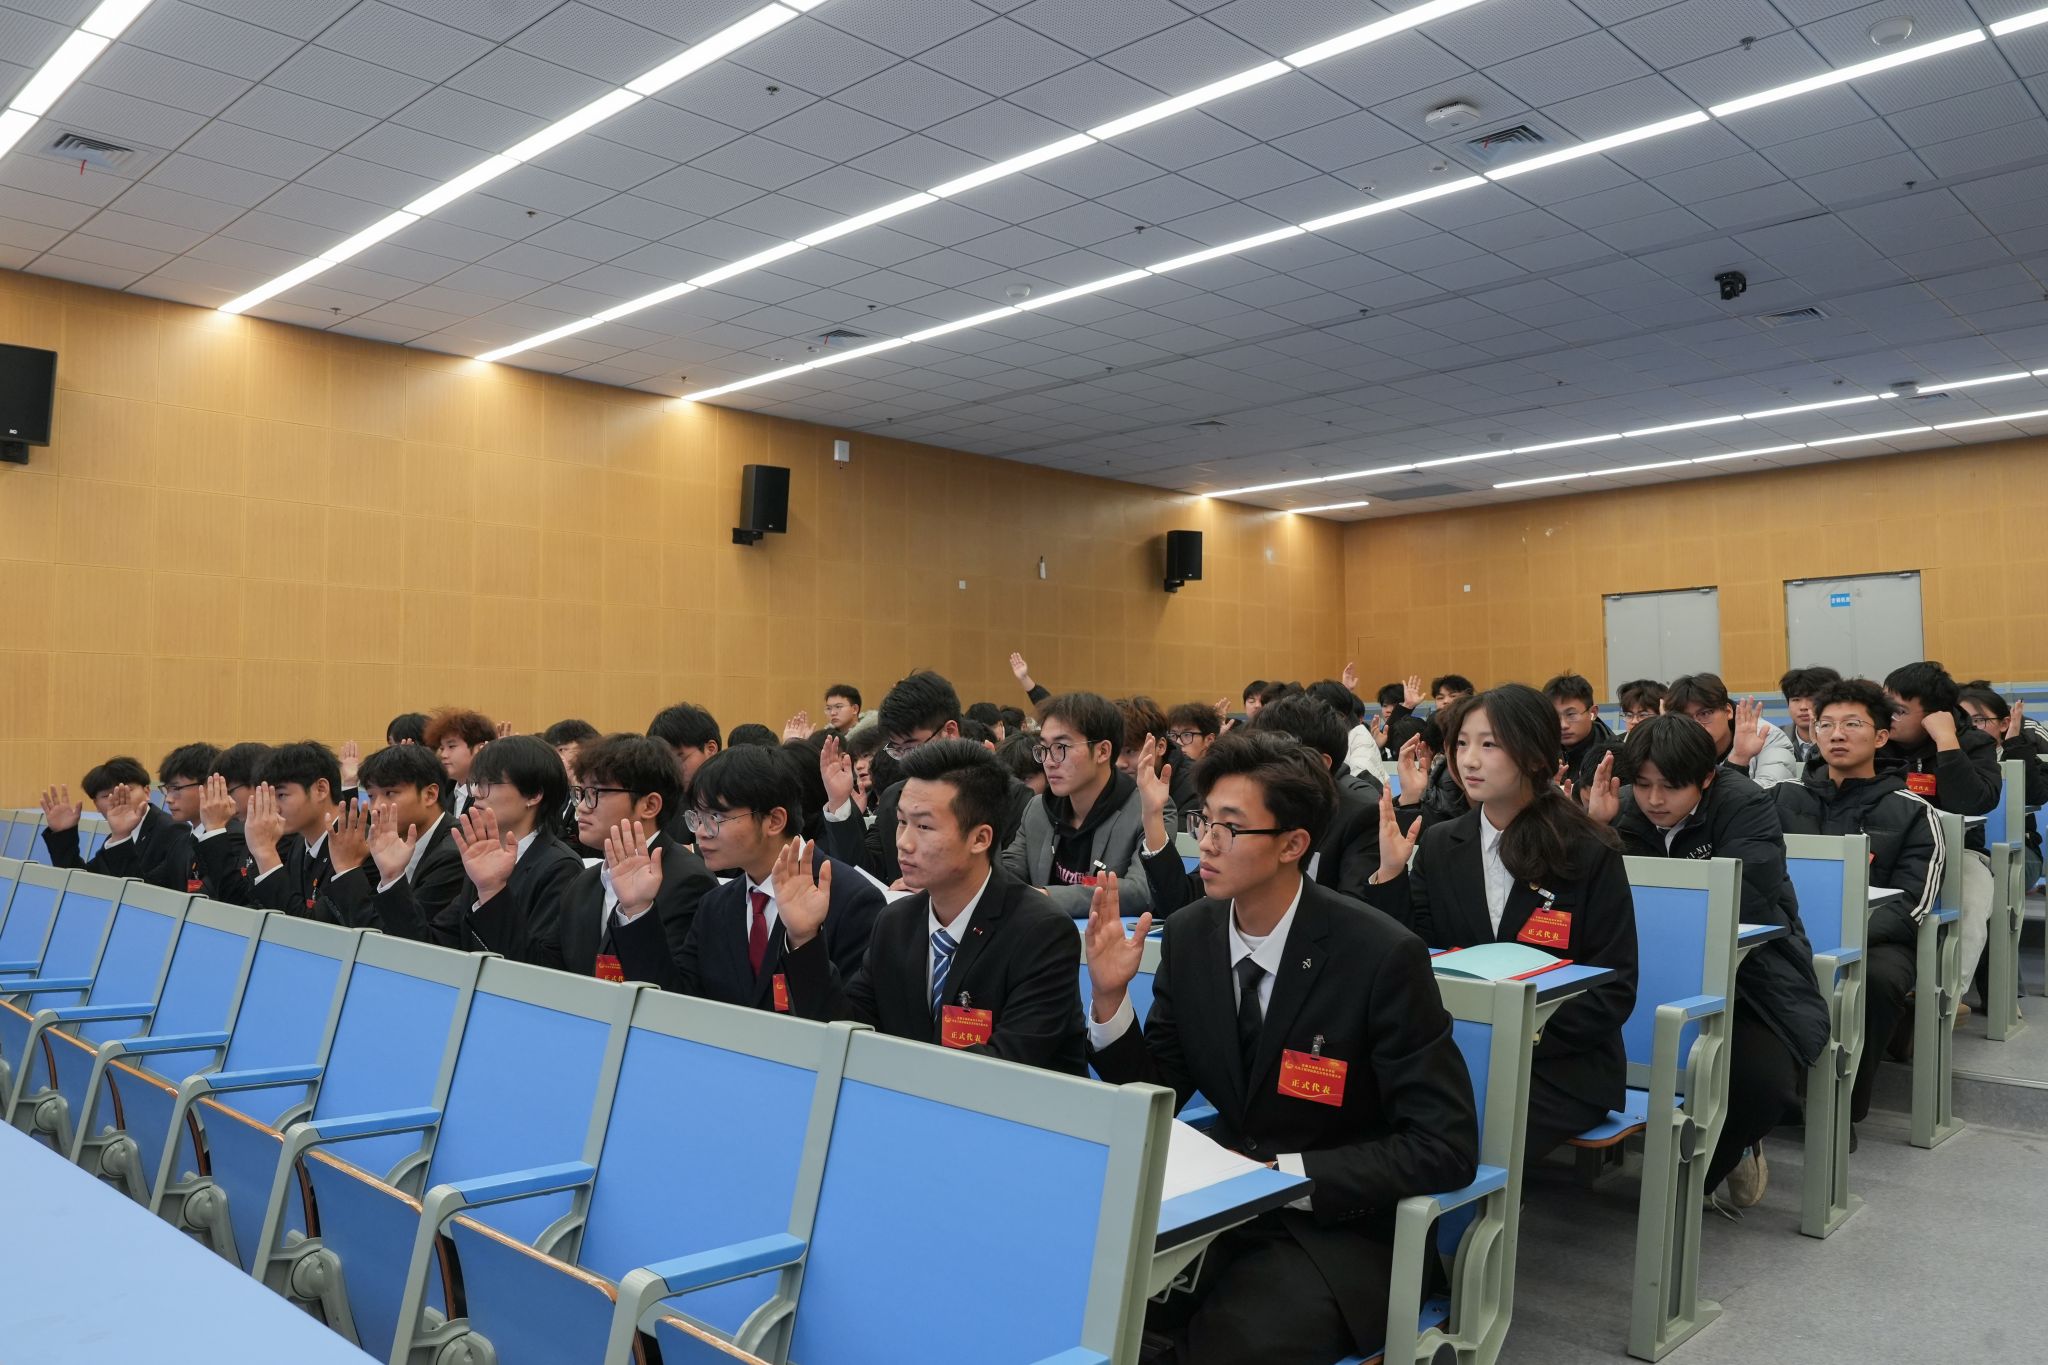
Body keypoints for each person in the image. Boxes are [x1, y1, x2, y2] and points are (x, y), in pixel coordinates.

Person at [1084, 731, 1479, 1365]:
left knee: (1228, 1346)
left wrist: (1281, 1176)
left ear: (1293, 844)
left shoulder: (1378, 955)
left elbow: (1445, 1145)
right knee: (1095, 1302)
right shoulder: (1191, 934)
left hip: (1337, 1230)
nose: (1206, 842)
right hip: (1219, 1207)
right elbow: (1160, 1088)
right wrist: (1109, 1000)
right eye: (1204, 821)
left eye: (1231, 827)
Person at [1365, 684, 1637, 1158]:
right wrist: (1390, 874)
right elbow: (1414, 957)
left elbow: (1613, 989)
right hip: (1457, 1054)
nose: (1469, 760)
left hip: (1560, 1065)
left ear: (1533, 754)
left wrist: (1507, 1038)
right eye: (1461, 744)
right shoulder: (1442, 844)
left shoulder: (1587, 849)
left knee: (1454, 1128)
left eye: (1489, 744)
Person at [1586, 716, 1829, 1208]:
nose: (1654, 800)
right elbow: (1582, 899)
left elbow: (1747, 899)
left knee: (1762, 1084)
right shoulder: (1619, 807)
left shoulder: (1745, 805)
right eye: (1643, 784)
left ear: (1706, 778)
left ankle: (1704, 1173)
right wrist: (1597, 829)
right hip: (1643, 974)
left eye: (1671, 786)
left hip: (1752, 976)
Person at [779, 739, 1085, 1074]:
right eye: (901, 822)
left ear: (980, 838)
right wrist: (805, 938)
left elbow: (1008, 1068)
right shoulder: (895, 922)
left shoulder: (1040, 932)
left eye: (924, 826)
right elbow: (846, 1031)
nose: (904, 842)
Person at [1771, 679, 1944, 1130]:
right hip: (1792, 930)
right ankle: (1766, 1097)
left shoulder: (1912, 810)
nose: (1836, 735)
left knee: (1878, 981)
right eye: (1825, 724)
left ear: (1881, 737)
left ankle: (1840, 1109)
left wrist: (1843, 933)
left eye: (1852, 724)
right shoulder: (1783, 797)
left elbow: (1913, 903)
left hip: (1876, 939)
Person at [676, 745, 881, 1009]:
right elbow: (678, 1000)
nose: (701, 832)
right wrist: (637, 911)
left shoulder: (851, 899)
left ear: (774, 821)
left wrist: (805, 941)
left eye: (715, 817)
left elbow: (853, 1021)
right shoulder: (714, 904)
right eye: (697, 817)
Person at [816, 670, 1032, 885]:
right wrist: (839, 802)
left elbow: (1016, 880)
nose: (904, 760)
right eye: (896, 749)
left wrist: (936, 890)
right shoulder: (894, 797)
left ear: (950, 731)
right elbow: (864, 872)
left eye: (912, 747)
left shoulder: (1008, 794)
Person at [545, 734, 717, 989]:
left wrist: (638, 912)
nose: (581, 807)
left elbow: (676, 994)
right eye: (580, 793)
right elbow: (545, 971)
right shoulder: (583, 883)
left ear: (649, 805)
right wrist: (492, 891)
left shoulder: (689, 881)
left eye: (595, 793)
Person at [1880, 661, 2000, 1007]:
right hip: (1888, 851)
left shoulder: (1973, 743)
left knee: (1971, 902)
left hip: (1956, 853)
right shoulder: (1878, 741)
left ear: (1935, 715)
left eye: (1900, 710)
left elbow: (1972, 803)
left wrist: (1947, 742)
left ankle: (1940, 1006)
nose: (1888, 716)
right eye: (1886, 706)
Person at [423, 735, 583, 959]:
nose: (476, 793)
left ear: (534, 794)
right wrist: (392, 880)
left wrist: (492, 891)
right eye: (475, 783)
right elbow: (433, 942)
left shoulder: (560, 867)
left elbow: (539, 966)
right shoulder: (483, 855)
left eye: (489, 783)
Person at [1003, 691, 1159, 918]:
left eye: (1061, 748)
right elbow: (1009, 871)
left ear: (1102, 751)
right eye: (1044, 748)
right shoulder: (1037, 808)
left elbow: (1140, 891)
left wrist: (1043, 897)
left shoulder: (1148, 808)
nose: (1049, 762)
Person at [1251, 695, 1377, 901]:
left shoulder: (1360, 816)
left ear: (1320, 763)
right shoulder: (1249, 804)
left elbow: (1354, 904)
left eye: (1274, 754)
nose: (1258, 765)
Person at [331, 742, 464, 937]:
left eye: (390, 793)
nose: (377, 807)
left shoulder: (454, 854)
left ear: (429, 795)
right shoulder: (385, 841)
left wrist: (348, 870)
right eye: (371, 796)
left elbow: (396, 939)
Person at [244, 742, 353, 922]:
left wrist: (265, 853)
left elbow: (310, 928)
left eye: (281, 795)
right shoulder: (299, 843)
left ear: (321, 789)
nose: (274, 808)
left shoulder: (356, 843)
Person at [37, 756, 181, 888]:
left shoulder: (174, 832)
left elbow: (143, 894)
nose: (117, 799)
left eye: (127, 791)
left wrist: (121, 838)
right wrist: (63, 834)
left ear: (147, 792)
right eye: (107, 796)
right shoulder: (116, 836)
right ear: (96, 805)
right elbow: (85, 883)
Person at [1959, 685, 2048, 891]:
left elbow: (2035, 796)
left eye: (1979, 720)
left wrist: (2014, 743)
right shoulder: (1951, 759)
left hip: (2018, 852)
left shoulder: (2023, 754)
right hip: (1963, 849)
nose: (1970, 728)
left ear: (2004, 723)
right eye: (1964, 721)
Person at [1666, 673, 1798, 788]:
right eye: (1686, 718)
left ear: (1728, 711)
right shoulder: (1674, 742)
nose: (1697, 725)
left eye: (1705, 714)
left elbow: (1770, 794)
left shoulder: (1767, 736)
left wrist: (1738, 761)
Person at [1545, 673, 1614, 787]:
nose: (1563, 725)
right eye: (1554, 716)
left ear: (1593, 712)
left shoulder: (1612, 755)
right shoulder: (1541, 752)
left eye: (1571, 714)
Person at [425, 707, 495, 818]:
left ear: (479, 749)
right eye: (442, 748)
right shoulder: (444, 791)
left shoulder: (490, 794)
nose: (443, 755)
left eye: (451, 746)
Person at [544, 719, 602, 852]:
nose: (555, 758)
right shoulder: (561, 791)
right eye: (552, 752)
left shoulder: (600, 790)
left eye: (561, 750)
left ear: (587, 748)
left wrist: (576, 782)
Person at [1779, 666, 1842, 766]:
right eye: (1796, 700)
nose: (1803, 707)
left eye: (1812, 699)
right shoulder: (1776, 738)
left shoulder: (1843, 739)